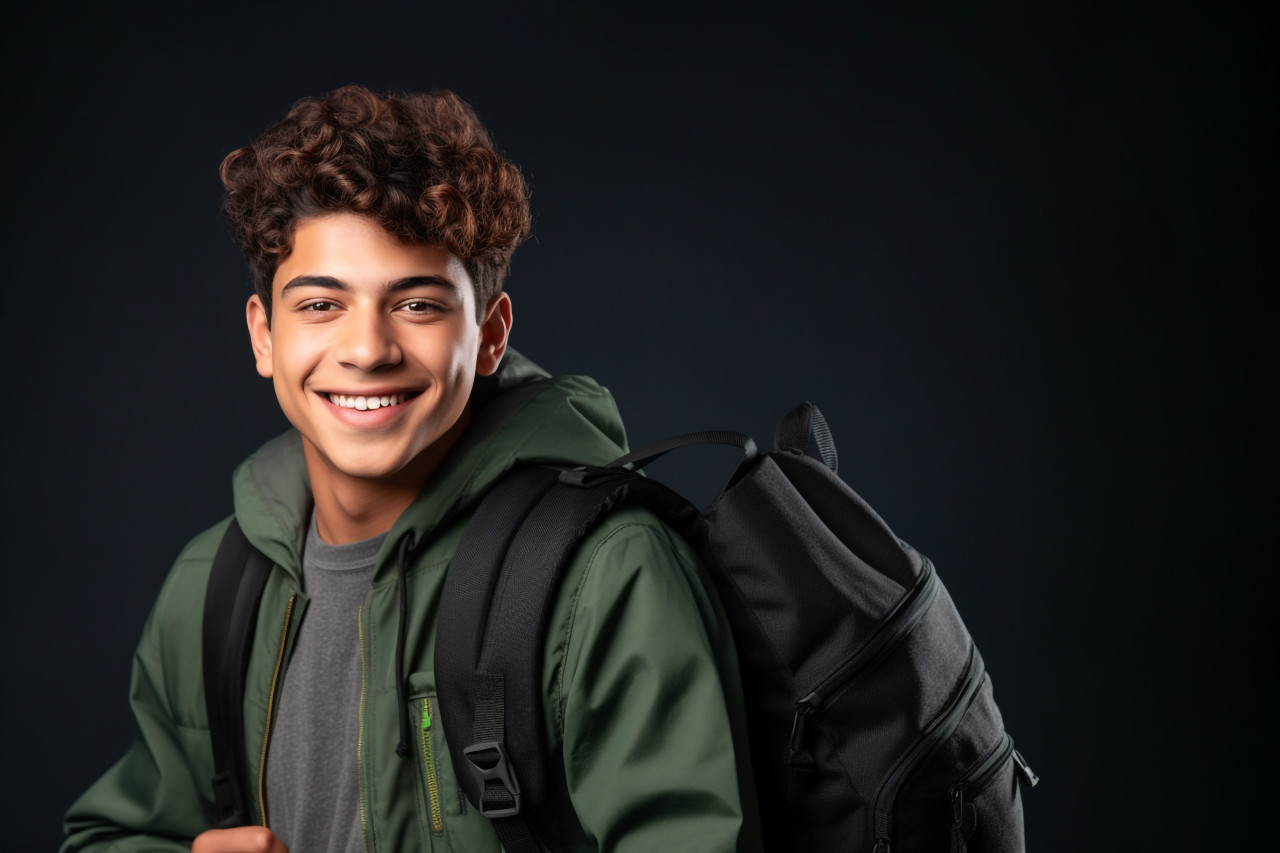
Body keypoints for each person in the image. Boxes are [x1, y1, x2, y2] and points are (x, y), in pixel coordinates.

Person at [61, 84, 761, 853]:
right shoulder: (215, 582)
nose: (367, 350)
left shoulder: (606, 576)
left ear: (490, 335)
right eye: (322, 305)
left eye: (418, 305)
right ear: (263, 335)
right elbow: (111, 835)